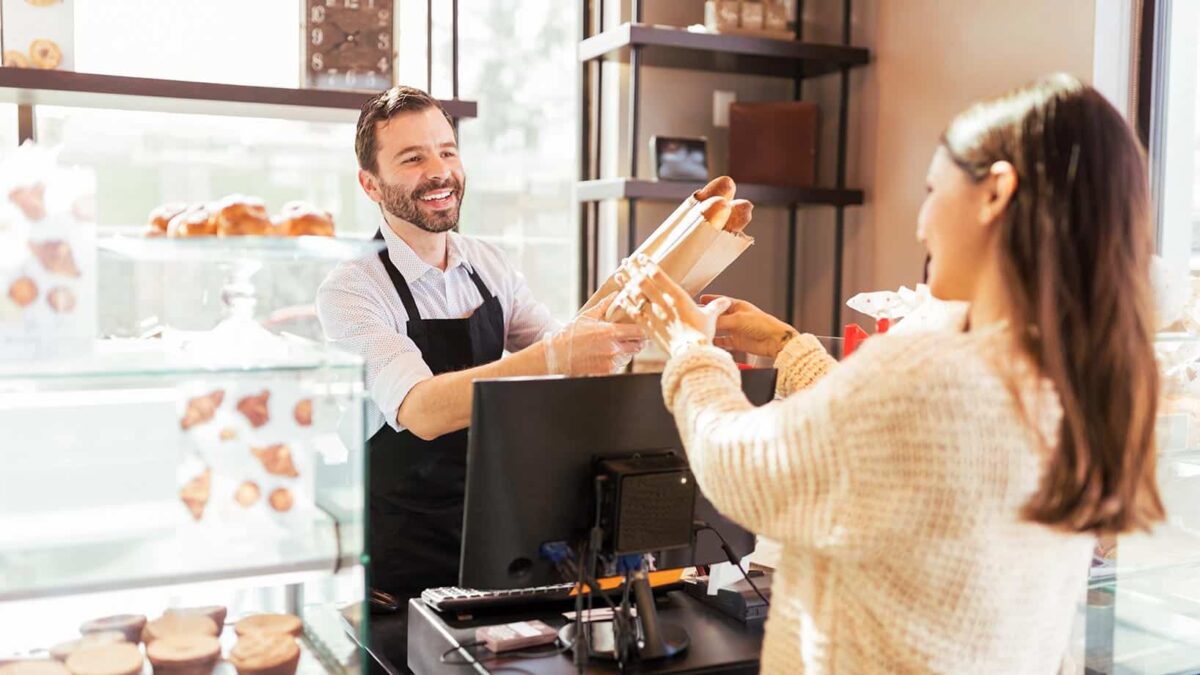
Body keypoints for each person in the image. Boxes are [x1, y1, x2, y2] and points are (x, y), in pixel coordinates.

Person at [613, 73, 1164, 673]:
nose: (922, 223)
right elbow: (892, 449)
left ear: (995, 193)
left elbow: (742, 470)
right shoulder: (1071, 379)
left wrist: (688, 346)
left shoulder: (936, 371)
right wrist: (786, 346)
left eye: (932, 190)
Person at [315, 86, 643, 671]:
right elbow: (421, 410)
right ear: (370, 184)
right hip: (403, 570)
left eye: (447, 151)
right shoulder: (352, 289)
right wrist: (558, 356)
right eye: (412, 158)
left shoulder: (489, 265)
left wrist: (628, 329)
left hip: (498, 544)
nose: (439, 171)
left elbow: (562, 363)